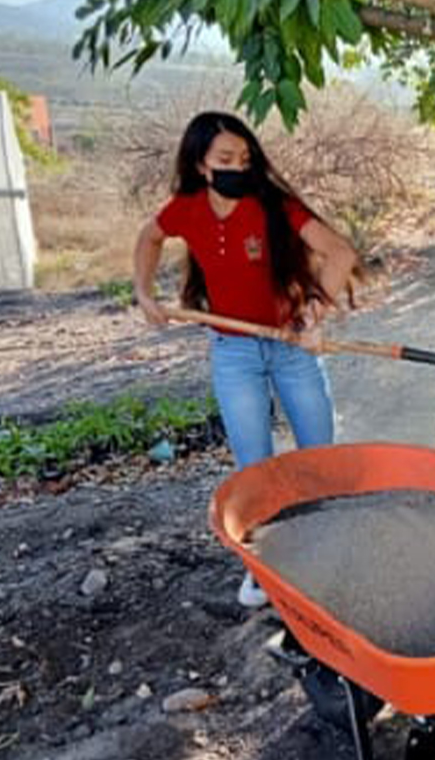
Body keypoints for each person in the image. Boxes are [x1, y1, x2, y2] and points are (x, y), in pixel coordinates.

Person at [133, 111, 359, 607]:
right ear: (201, 166)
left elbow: (340, 252)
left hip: (291, 347)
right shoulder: (186, 209)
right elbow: (149, 237)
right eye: (226, 159)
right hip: (233, 351)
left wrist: (315, 313)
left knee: (318, 454)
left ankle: (327, 550)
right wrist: (144, 293)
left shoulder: (274, 207)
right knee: (252, 463)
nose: (240, 166)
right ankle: (264, 567)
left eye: (246, 158)